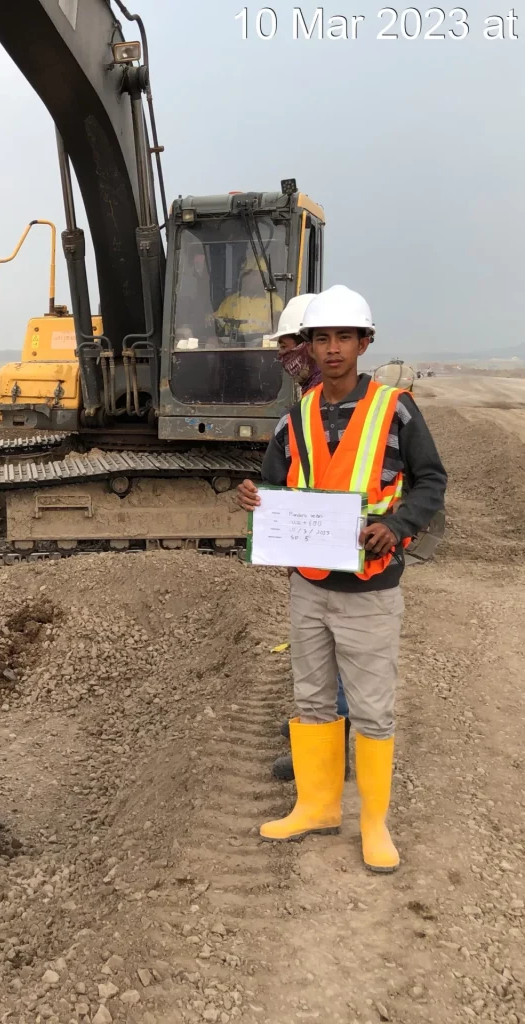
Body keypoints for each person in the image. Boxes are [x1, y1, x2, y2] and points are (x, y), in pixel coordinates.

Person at [237, 285, 447, 873]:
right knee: (311, 701)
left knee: (373, 711)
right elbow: (273, 486)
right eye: (321, 338)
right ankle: (316, 806)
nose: (332, 349)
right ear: (310, 345)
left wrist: (397, 526)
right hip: (309, 586)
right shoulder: (295, 416)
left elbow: (430, 481)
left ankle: (373, 824)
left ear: (363, 342)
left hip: (371, 588)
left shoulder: (395, 409)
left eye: (343, 338)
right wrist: (252, 496)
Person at [264, 292, 349, 783]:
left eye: (292, 344)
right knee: (321, 653)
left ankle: (327, 747)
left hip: (338, 551)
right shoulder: (308, 402)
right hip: (319, 547)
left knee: (330, 652)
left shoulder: (328, 406)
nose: (285, 356)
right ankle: (320, 730)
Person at [214, 252, 283, 339]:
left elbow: (278, 325)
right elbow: (216, 323)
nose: (248, 278)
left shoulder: (274, 301)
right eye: (245, 274)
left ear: (264, 277)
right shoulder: (230, 301)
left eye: (253, 274)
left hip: (263, 346)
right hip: (232, 345)